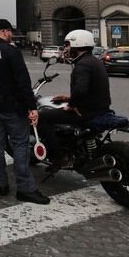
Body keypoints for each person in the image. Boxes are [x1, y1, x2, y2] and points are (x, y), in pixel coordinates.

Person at [0, 19, 50, 205]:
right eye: (11, 32)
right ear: (6, 32)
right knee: (20, 144)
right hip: (12, 107)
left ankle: (1, 183)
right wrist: (32, 107)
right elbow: (23, 82)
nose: (11, 36)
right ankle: (25, 188)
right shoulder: (11, 51)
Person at [37, 29, 112, 160]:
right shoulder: (94, 61)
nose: (65, 49)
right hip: (100, 108)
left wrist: (71, 104)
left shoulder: (82, 65)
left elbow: (81, 90)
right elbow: (92, 90)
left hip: (87, 112)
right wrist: (69, 98)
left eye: (67, 45)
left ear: (77, 44)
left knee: (42, 117)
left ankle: (57, 156)